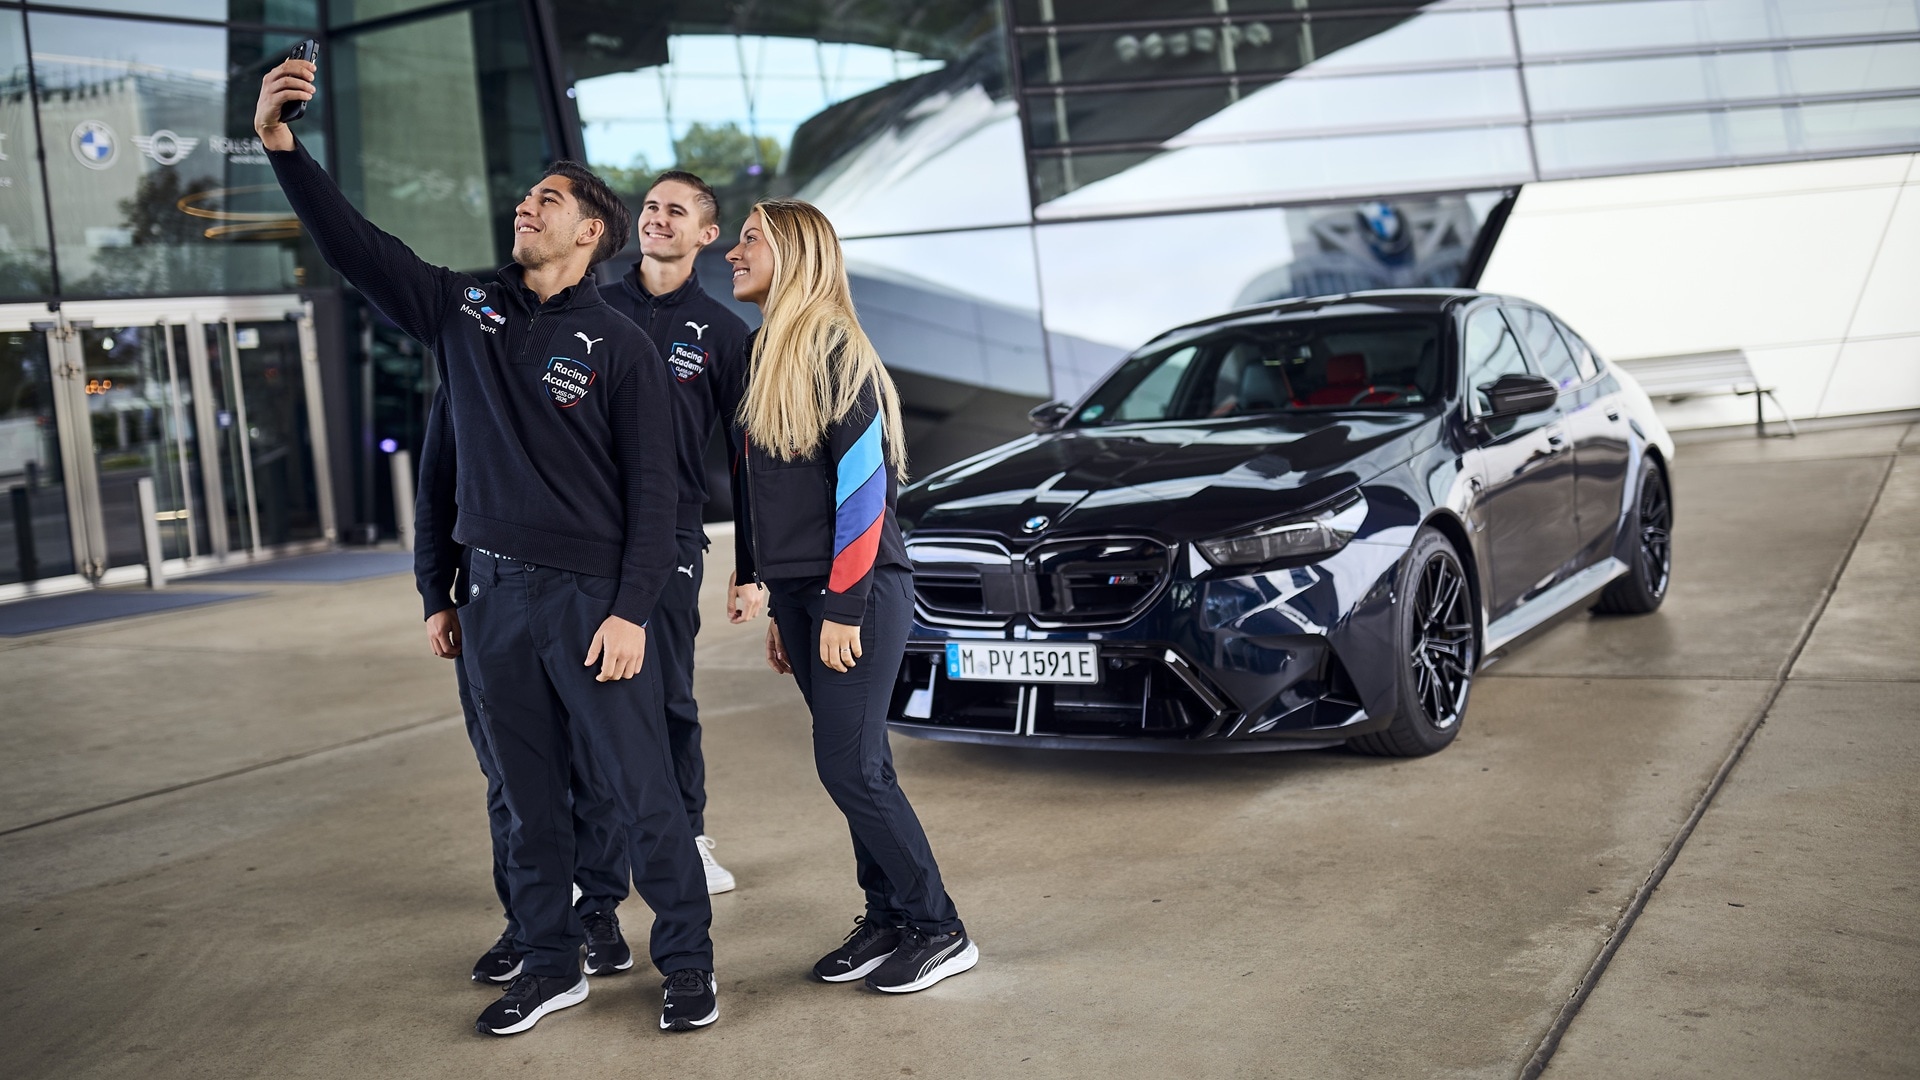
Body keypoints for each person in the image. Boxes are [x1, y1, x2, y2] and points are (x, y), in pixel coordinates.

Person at [255, 56, 719, 1035]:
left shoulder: (622, 347)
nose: (526, 208)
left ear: (590, 231)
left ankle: (687, 962)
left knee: (642, 797)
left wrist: (634, 609)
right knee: (523, 800)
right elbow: (357, 250)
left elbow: (656, 495)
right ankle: (551, 964)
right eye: (525, 198)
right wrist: (282, 147)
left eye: (546, 200)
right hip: (495, 603)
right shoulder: (464, 311)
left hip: (595, 605)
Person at [724, 199, 978, 993]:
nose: (733, 252)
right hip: (804, 594)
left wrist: (840, 607)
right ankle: (890, 915)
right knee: (858, 763)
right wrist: (772, 593)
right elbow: (768, 489)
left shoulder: (835, 348)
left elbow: (865, 493)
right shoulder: (769, 348)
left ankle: (939, 927)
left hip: (858, 593)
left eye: (749, 240)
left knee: (851, 769)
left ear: (794, 254)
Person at [597, 171, 761, 894]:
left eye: (676, 211)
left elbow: (747, 455)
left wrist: (750, 562)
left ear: (706, 235)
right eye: (651, 207)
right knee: (583, 694)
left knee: (667, 693)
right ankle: (593, 857)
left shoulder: (725, 335)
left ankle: (687, 836)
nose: (657, 218)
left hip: (670, 536)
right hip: (584, 532)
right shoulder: (590, 306)